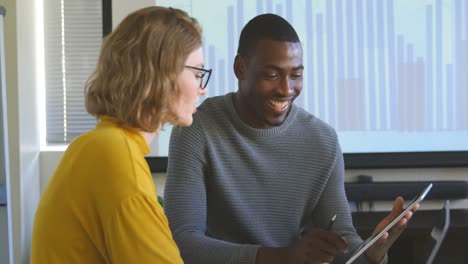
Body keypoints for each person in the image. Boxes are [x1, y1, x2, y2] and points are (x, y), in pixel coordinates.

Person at [164, 13, 415, 264]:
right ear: (240, 68)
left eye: (295, 75)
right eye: (272, 75)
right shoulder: (197, 128)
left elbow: (340, 240)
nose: (286, 90)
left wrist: (371, 254)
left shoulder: (322, 140)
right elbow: (184, 242)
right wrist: (282, 258)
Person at [31, 6, 211, 263]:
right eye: (196, 73)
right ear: (162, 73)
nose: (201, 89)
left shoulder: (93, 144)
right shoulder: (117, 157)